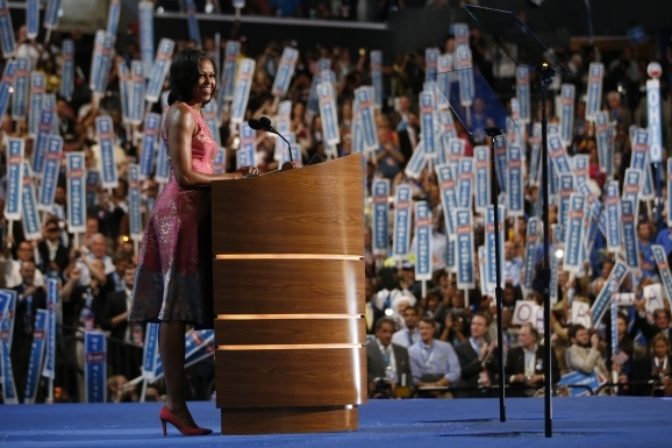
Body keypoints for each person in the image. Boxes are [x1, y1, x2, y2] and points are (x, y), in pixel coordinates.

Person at [129, 48, 257, 437]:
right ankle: (174, 406)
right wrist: (232, 178)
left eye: (212, 75)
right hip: (179, 215)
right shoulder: (181, 114)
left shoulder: (197, 114)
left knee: (180, 310)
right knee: (174, 312)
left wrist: (234, 176)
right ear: (186, 77)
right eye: (202, 75)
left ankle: (176, 406)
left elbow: (201, 170)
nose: (209, 82)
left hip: (197, 213)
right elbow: (186, 176)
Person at [408, 317, 461, 397]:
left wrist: (439, 385)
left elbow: (455, 371)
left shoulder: (446, 347)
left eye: (427, 328)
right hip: (421, 391)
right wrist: (428, 387)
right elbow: (413, 377)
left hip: (444, 390)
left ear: (433, 329)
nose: (424, 331)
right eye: (421, 328)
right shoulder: (411, 351)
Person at [506, 323, 559, 397]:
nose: (519, 338)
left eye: (523, 335)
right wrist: (514, 378)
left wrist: (540, 377)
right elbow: (504, 375)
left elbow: (556, 375)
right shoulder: (513, 353)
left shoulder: (547, 352)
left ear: (533, 337)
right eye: (519, 335)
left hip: (542, 393)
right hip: (518, 393)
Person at [454, 312, 499, 397]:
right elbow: (462, 372)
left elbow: (498, 369)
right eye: (473, 324)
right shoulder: (460, 348)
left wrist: (490, 356)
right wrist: (480, 359)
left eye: (479, 325)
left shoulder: (492, 347)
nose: (475, 327)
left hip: (490, 393)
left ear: (486, 328)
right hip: (469, 393)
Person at [366, 317, 413, 398]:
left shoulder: (402, 351)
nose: (388, 335)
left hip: (399, 394)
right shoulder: (367, 350)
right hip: (376, 395)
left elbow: (408, 376)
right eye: (385, 331)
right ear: (377, 332)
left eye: (391, 332)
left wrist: (404, 393)